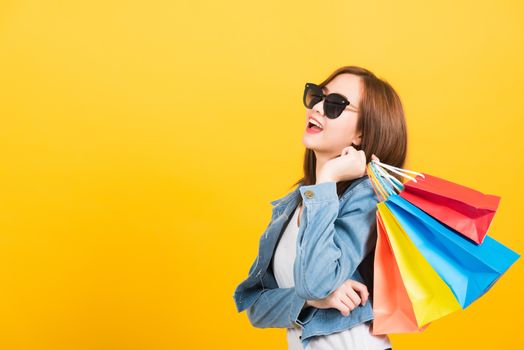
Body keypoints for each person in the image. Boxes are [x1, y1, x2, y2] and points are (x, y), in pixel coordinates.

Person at [233, 65, 407, 350]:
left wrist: (327, 178)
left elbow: (316, 281)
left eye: (336, 105)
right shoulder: (294, 205)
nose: (318, 108)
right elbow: (255, 307)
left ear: (361, 134)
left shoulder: (366, 200)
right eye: (317, 96)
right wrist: (311, 300)